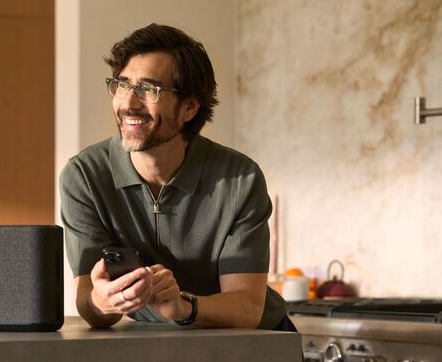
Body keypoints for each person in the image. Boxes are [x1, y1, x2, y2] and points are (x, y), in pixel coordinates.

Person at [59, 23, 294, 331]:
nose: (128, 103)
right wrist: (103, 301)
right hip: (156, 339)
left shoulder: (239, 178)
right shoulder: (84, 176)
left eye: (148, 89)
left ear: (189, 107)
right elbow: (89, 300)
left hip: (252, 341)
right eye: (123, 85)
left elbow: (246, 307)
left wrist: (183, 306)